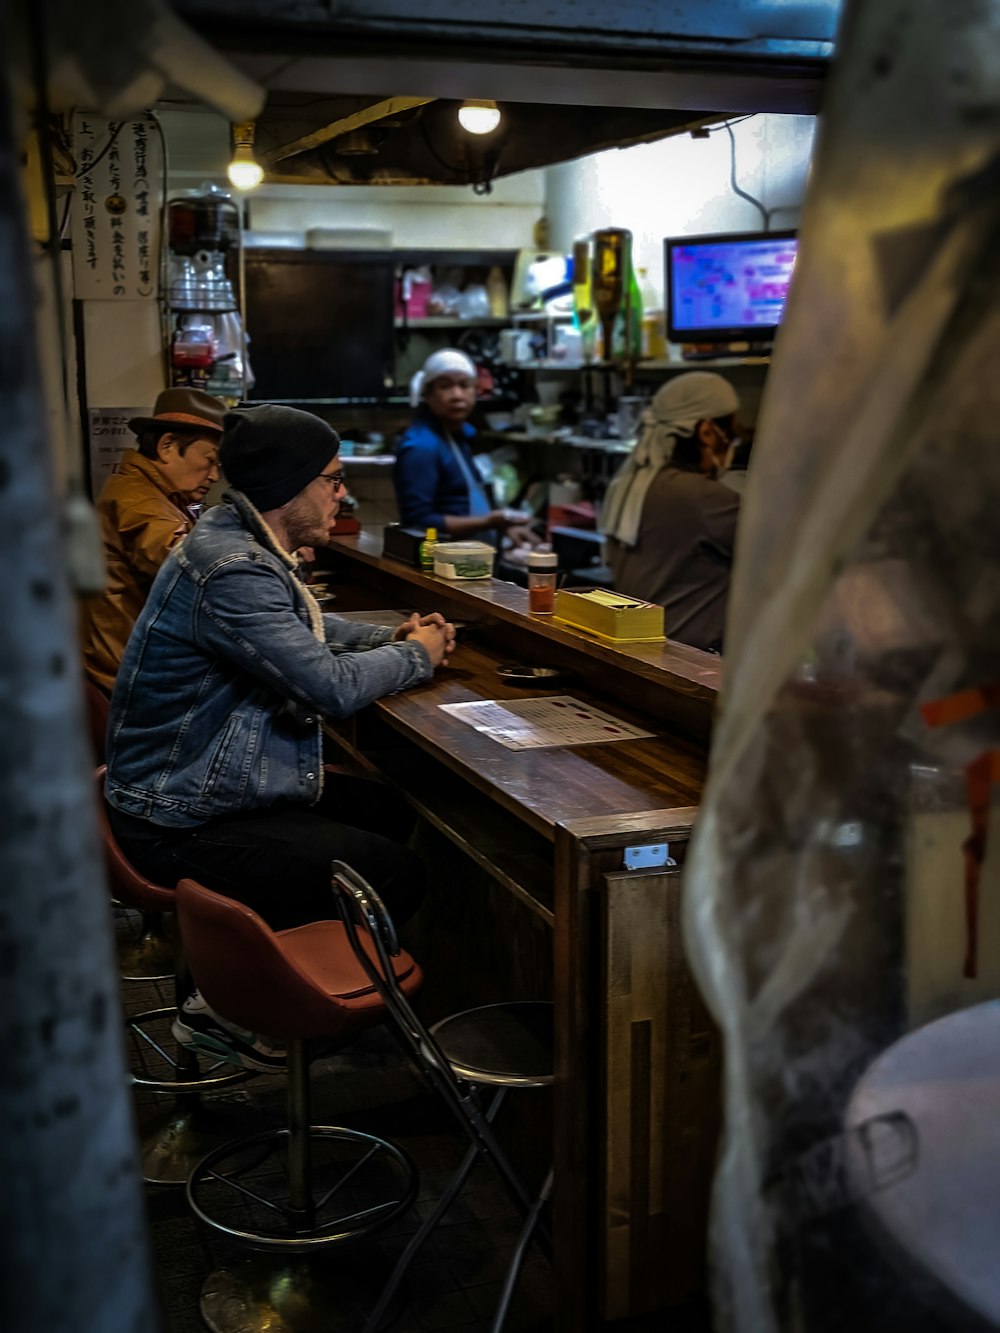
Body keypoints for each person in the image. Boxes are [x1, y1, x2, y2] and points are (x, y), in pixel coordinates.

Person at [104, 404, 456, 1071]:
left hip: (183, 790)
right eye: (331, 478)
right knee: (394, 872)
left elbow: (306, 631)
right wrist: (421, 657)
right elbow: (328, 684)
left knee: (387, 813)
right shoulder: (231, 566)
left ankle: (272, 975)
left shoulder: (239, 541)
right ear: (289, 487)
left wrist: (394, 638)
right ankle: (235, 1011)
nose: (341, 493)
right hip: (175, 816)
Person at [81, 387, 225, 693]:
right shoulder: (138, 499)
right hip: (131, 682)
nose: (213, 476)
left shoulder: (152, 491)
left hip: (130, 668)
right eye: (209, 461)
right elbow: (189, 564)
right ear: (167, 446)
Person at [602, 372, 742, 654]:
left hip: (638, 653)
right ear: (706, 432)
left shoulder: (628, 482)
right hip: (688, 662)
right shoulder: (702, 498)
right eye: (733, 433)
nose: (734, 443)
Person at [394, 348, 537, 553]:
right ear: (428, 393)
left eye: (464, 385)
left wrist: (503, 531)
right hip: (443, 563)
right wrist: (489, 522)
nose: (457, 395)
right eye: (445, 386)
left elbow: (464, 502)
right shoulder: (421, 447)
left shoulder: (458, 435)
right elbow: (419, 522)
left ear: (475, 390)